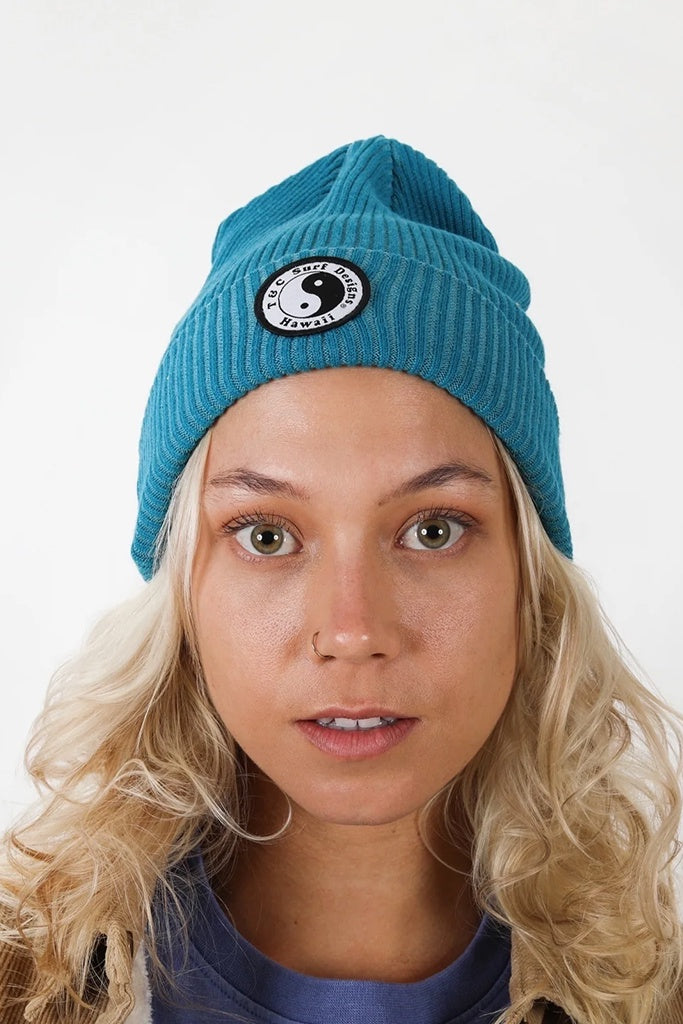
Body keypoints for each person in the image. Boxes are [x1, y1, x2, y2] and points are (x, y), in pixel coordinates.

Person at [0, 136, 681, 1024]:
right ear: (182, 597)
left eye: (432, 530)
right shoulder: (26, 987)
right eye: (267, 535)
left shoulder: (649, 996)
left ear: (530, 582)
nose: (352, 630)